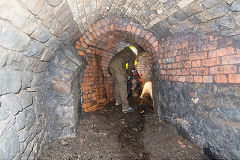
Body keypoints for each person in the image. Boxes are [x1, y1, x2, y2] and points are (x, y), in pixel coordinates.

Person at [108, 45, 139, 113]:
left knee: (117, 84)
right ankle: (125, 107)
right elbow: (130, 66)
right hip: (118, 67)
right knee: (123, 86)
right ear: (135, 53)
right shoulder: (132, 55)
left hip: (110, 65)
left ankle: (118, 101)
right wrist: (127, 75)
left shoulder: (123, 52)